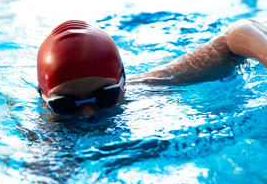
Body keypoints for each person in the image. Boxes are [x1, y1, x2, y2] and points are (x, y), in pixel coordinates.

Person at [37, 19, 267, 116]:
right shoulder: (39, 142)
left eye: (106, 96)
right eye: (64, 105)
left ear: (124, 84)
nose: (88, 113)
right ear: (43, 99)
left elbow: (238, 33)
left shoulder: (150, 86)